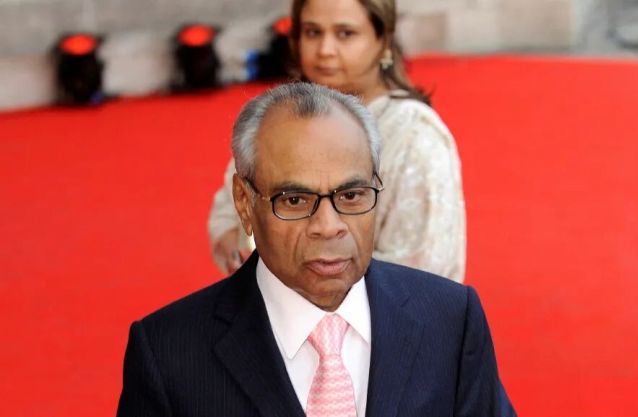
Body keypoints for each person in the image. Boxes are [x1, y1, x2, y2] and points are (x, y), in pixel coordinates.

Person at [117, 83, 515, 416]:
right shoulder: (169, 354)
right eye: (295, 200)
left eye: (352, 195)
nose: (329, 226)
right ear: (244, 202)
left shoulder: (450, 320)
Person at [208, 0, 466, 282]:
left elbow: (421, 275)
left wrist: (300, 273)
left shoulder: (413, 136)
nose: (325, 50)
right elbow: (230, 211)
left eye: (345, 34)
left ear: (384, 40)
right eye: (313, 32)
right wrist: (239, 248)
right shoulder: (279, 120)